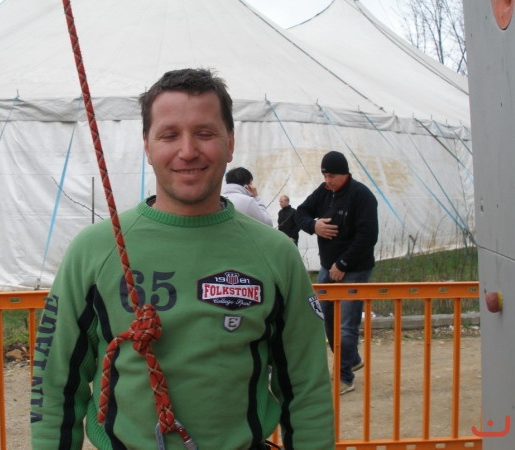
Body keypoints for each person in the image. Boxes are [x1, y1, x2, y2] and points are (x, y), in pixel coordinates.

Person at [30, 68, 334, 449]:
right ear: (147, 145)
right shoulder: (94, 251)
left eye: (205, 133)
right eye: (169, 135)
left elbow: (307, 389)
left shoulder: (276, 255)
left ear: (230, 143)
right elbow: (55, 386)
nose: (188, 151)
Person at [295, 150, 378, 395]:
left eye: (331, 176)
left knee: (346, 325)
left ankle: (344, 376)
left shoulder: (362, 196)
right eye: (325, 175)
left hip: (354, 270)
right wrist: (314, 226)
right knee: (326, 318)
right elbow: (300, 213)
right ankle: (351, 358)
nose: (327, 180)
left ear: (344, 174)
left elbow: (368, 236)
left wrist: (342, 265)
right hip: (327, 268)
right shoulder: (323, 192)